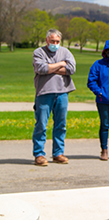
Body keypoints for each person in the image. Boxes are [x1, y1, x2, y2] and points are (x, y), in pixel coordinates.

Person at [32, 29, 76, 166]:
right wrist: (61, 64)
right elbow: (41, 69)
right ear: (46, 40)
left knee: (61, 125)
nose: (55, 44)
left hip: (62, 92)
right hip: (44, 93)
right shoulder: (38, 52)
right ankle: (39, 154)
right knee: (41, 124)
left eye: (57, 41)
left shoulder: (65, 52)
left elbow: (72, 69)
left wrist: (51, 67)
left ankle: (58, 153)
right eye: (52, 41)